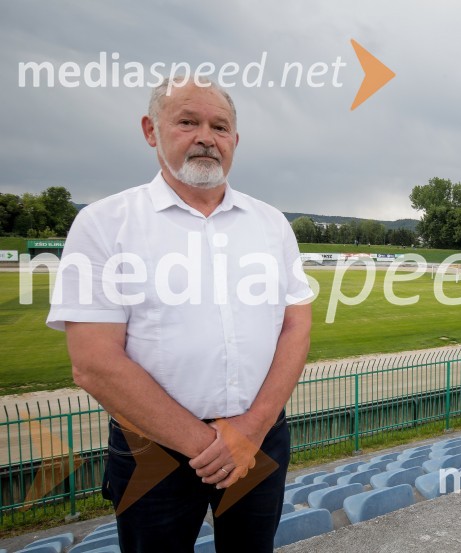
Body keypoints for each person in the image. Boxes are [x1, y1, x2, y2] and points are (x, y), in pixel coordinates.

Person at [46, 76, 313, 553]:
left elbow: (296, 326)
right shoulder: (105, 223)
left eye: (220, 126)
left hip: (259, 437)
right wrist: (210, 445)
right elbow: (93, 363)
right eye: (187, 122)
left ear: (235, 140)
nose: (206, 137)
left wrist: (251, 429)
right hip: (153, 450)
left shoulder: (271, 224)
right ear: (151, 130)